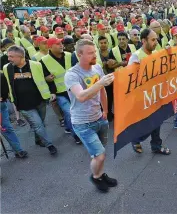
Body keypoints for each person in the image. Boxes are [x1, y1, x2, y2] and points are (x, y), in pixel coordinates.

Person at [64, 39, 117, 192]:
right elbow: (81, 96)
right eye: (90, 53)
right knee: (99, 155)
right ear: (79, 54)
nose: (95, 55)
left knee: (100, 153)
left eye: (95, 52)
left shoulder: (97, 68)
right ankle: (95, 177)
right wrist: (101, 83)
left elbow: (102, 92)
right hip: (82, 123)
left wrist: (105, 111)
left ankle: (101, 174)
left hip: (99, 118)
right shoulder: (71, 75)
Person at [3, 45, 58, 154]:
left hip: (40, 101)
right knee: (38, 124)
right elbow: (5, 84)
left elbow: (48, 78)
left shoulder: (36, 65)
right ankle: (49, 145)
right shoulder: (7, 68)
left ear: (20, 56)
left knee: (40, 123)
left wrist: (52, 92)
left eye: (11, 56)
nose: (8, 59)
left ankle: (38, 139)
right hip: (23, 105)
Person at [128, 29, 171, 155]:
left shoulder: (156, 53)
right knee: (150, 123)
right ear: (143, 41)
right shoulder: (136, 56)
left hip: (156, 94)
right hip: (144, 97)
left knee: (157, 120)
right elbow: (132, 79)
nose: (156, 42)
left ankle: (156, 145)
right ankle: (136, 138)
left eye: (156, 39)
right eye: (152, 40)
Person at [40, 38, 82, 144]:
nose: (61, 45)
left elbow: (78, 69)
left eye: (61, 43)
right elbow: (41, 78)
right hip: (59, 93)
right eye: (57, 44)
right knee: (69, 112)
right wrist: (46, 78)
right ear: (50, 47)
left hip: (73, 89)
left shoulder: (70, 55)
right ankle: (76, 135)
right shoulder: (43, 61)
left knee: (73, 112)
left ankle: (68, 126)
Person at [0, 72, 28, 158]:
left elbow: (6, 91)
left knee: (6, 128)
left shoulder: (1, 76)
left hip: (1, 105)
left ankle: (18, 150)